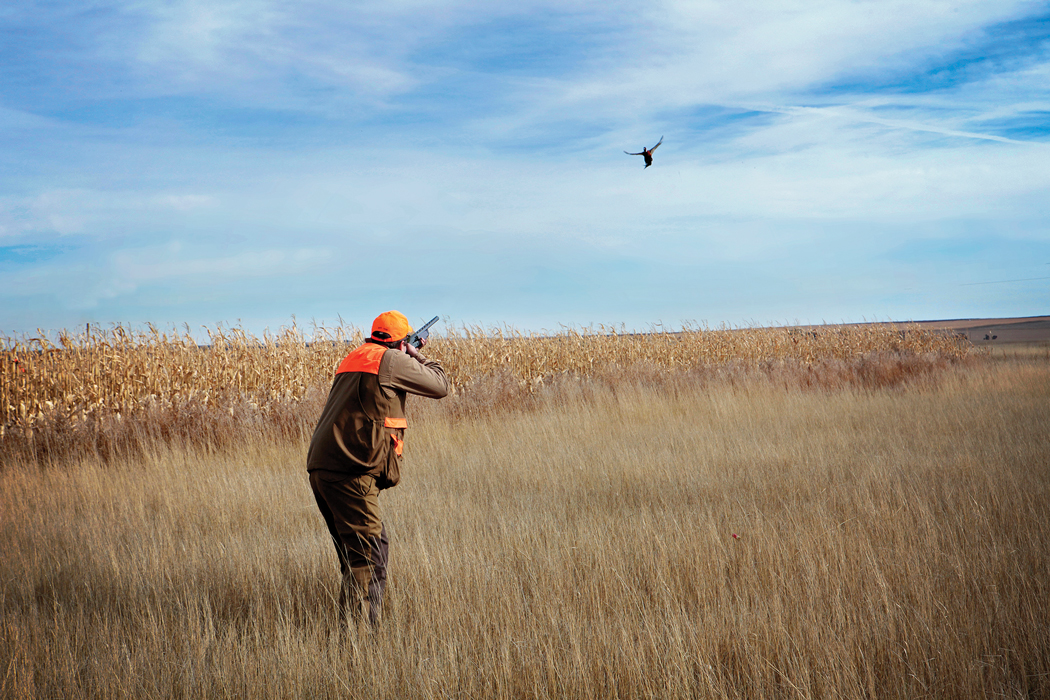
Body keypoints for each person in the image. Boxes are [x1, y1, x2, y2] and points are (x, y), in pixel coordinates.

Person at [307, 310, 449, 630]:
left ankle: (350, 633)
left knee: (355, 557)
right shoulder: (393, 360)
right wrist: (419, 356)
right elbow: (440, 386)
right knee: (370, 558)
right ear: (402, 342)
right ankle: (360, 645)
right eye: (408, 342)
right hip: (352, 470)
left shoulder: (354, 356)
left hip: (323, 467)